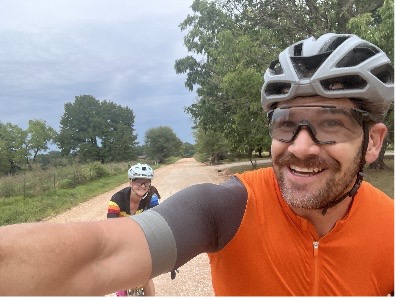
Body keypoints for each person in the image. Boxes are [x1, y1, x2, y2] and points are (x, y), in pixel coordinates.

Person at [0, 33, 393, 296]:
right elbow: (101, 253)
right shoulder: (226, 208)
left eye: (330, 125)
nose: (301, 147)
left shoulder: (390, 229)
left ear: (372, 141)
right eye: (286, 124)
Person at [107, 163, 160, 296]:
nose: (142, 186)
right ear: (130, 182)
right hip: (121, 236)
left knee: (146, 276)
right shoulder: (117, 199)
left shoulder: (151, 198)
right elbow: (110, 226)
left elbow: (156, 222)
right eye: (138, 182)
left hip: (142, 237)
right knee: (119, 272)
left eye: (146, 183)